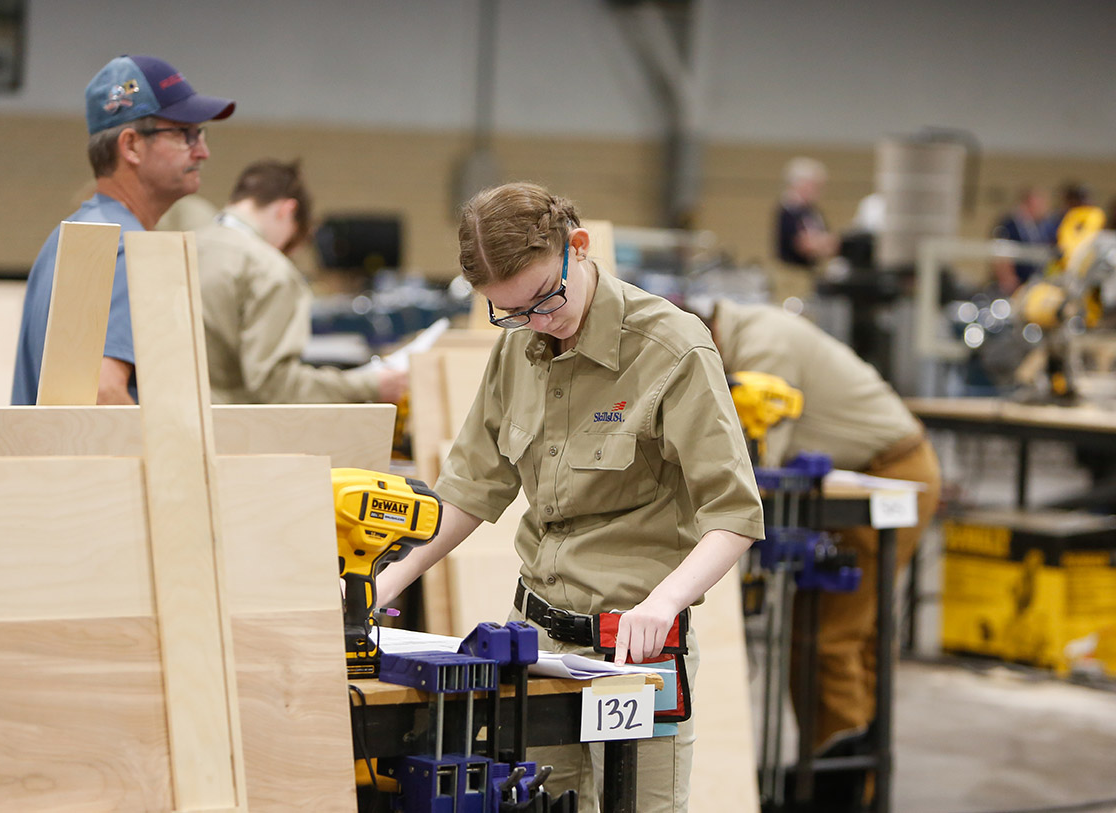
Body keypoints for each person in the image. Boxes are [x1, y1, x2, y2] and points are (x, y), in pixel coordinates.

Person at [375, 182, 764, 812]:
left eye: (543, 299)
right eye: (511, 312)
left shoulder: (672, 348)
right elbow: (472, 489)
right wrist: (388, 578)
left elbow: (735, 515)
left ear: (577, 248)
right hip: (537, 646)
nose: (536, 322)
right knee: (537, 803)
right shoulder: (517, 349)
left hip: (636, 647)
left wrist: (663, 603)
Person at [700, 297, 941, 808]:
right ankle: (844, 773)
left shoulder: (765, 345)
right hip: (861, 478)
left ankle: (842, 791)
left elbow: (756, 461)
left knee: (831, 639)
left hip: (891, 476)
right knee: (836, 637)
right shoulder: (746, 334)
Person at [11, 54, 234, 405]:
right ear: (130, 145)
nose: (202, 151)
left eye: (200, 134)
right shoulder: (123, 247)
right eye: (185, 134)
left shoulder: (71, 236)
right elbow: (101, 392)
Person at [194, 159, 407, 404]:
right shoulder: (267, 268)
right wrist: (368, 386)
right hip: (226, 430)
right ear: (287, 210)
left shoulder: (183, 245)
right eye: (289, 243)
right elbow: (275, 386)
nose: (284, 251)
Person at [773, 156, 839, 303]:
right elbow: (803, 244)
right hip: (792, 275)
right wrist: (820, 244)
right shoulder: (789, 210)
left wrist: (820, 243)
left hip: (810, 273)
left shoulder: (813, 212)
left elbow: (832, 243)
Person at [990, 186, 1053, 294]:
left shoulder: (1042, 226)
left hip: (1035, 283)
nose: (1043, 209)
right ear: (1028, 204)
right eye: (1040, 205)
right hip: (1016, 283)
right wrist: (1008, 278)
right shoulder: (1009, 225)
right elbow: (1001, 254)